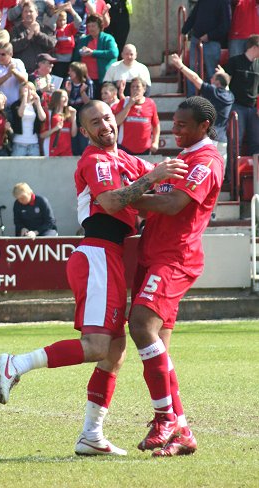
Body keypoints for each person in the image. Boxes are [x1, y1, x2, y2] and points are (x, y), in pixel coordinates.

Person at [0, 99, 188, 456]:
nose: (105, 125)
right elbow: (113, 202)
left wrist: (184, 168)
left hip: (111, 255)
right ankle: (16, 363)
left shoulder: (126, 159)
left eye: (109, 118)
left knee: (114, 353)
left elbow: (165, 180)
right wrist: (154, 177)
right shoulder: (94, 160)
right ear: (84, 132)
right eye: (95, 122)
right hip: (97, 252)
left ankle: (90, 436)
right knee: (99, 346)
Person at [128, 96, 224, 457]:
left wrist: (125, 197)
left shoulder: (207, 161)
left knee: (140, 325)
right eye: (175, 122)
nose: (175, 129)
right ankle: (182, 431)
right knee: (159, 350)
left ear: (203, 127)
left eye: (183, 125)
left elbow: (172, 204)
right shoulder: (183, 159)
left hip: (175, 259)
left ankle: (164, 418)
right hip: (154, 256)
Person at [171, 53, 234, 173]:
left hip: (210, 139)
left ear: (217, 83)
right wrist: (223, 74)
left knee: (204, 169)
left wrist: (181, 66)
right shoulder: (230, 96)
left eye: (213, 78)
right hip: (222, 139)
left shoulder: (213, 92)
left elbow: (195, 79)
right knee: (218, 171)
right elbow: (226, 84)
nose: (210, 80)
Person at [218, 34, 259, 157]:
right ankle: (232, 175)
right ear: (254, 47)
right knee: (236, 142)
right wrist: (222, 76)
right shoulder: (235, 61)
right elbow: (226, 82)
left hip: (253, 109)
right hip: (237, 107)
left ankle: (256, 175)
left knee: (256, 142)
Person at [181, 0, 232, 96]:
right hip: (196, 40)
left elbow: (225, 25)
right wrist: (184, 31)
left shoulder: (224, 2)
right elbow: (193, 15)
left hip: (212, 42)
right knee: (193, 70)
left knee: (212, 73)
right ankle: (192, 99)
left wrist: (209, 36)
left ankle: (213, 100)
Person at [73, 14, 118, 99]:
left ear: (100, 26)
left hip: (103, 79)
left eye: (93, 26)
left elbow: (113, 53)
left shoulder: (107, 38)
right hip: (87, 80)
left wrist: (93, 53)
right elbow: (75, 58)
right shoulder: (83, 40)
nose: (91, 28)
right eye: (89, 26)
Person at [114, 77, 160, 155]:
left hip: (144, 149)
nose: (135, 89)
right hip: (125, 148)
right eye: (133, 87)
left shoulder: (150, 103)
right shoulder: (124, 102)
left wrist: (155, 142)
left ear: (144, 89)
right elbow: (116, 122)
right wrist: (129, 105)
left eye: (138, 87)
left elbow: (156, 125)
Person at [10, 1, 57, 74]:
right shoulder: (15, 30)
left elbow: (52, 44)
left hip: (41, 72)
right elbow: (12, 47)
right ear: (22, 14)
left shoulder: (45, 28)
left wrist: (38, 34)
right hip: (21, 72)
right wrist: (28, 38)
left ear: (37, 13)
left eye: (31, 11)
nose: (28, 14)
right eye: (25, 11)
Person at [63, 61, 94, 155]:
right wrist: (67, 92)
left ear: (78, 72)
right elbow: (63, 102)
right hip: (70, 118)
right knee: (72, 145)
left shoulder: (88, 83)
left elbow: (90, 104)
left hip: (83, 120)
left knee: (82, 145)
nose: (69, 73)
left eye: (72, 71)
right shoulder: (67, 82)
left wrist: (82, 92)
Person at [0, 42, 28, 109]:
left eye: (3, 54)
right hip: (1, 107)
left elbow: (25, 81)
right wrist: (7, 75)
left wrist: (14, 71)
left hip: (17, 105)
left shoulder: (18, 62)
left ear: (11, 54)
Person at [11, 81, 46, 156]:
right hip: (19, 143)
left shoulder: (35, 105)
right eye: (26, 89)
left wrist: (38, 103)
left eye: (31, 89)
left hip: (33, 142)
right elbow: (20, 114)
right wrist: (24, 98)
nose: (29, 92)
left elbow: (42, 118)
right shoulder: (16, 104)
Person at [41, 89, 77, 156]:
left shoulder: (68, 114)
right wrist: (55, 129)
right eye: (63, 96)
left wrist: (74, 116)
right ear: (57, 98)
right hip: (51, 149)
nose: (66, 98)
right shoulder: (48, 113)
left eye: (67, 96)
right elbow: (42, 135)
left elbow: (73, 134)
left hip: (67, 150)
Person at [52, 1, 82, 79]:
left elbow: (79, 21)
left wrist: (71, 10)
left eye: (64, 20)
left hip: (69, 59)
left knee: (67, 79)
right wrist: (58, 10)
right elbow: (50, 22)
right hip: (58, 60)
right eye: (60, 20)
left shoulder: (69, 27)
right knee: (58, 78)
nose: (62, 22)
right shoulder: (54, 29)